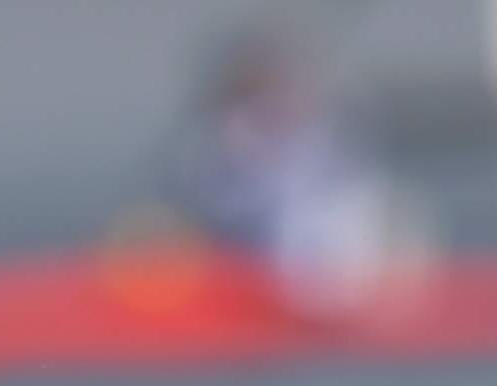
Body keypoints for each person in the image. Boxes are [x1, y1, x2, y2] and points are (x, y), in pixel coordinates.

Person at [167, 31, 422, 315]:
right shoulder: (225, 143)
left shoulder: (329, 134)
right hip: (263, 263)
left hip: (337, 254)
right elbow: (220, 207)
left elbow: (356, 181)